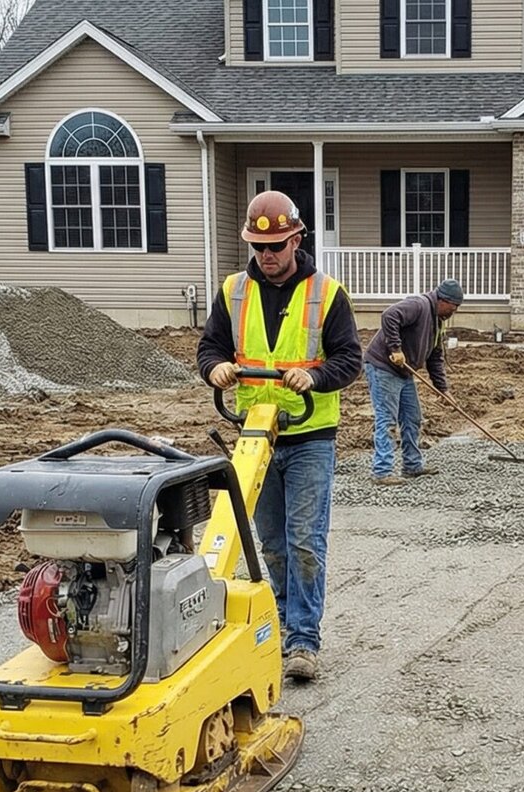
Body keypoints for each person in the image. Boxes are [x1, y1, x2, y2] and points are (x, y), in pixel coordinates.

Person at [197, 191, 363, 684]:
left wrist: (315, 378)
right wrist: (217, 369)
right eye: (259, 247)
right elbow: (209, 347)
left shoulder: (327, 294)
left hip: (310, 433)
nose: (267, 256)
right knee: (270, 544)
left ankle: (305, 640)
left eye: (276, 246)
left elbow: (349, 359)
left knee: (305, 541)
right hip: (255, 434)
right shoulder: (232, 292)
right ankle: (289, 625)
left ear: (297, 239)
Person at [361, 279, 462, 485]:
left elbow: (435, 357)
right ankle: (382, 472)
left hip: (403, 373)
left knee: (412, 418)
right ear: (443, 300)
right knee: (387, 419)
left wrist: (443, 390)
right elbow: (389, 315)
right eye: (453, 308)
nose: (453, 313)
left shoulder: (437, 322)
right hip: (383, 367)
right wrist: (395, 349)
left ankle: (412, 465)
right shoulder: (419, 305)